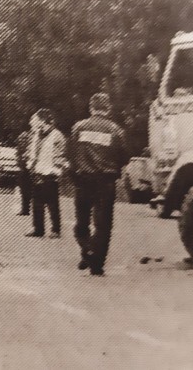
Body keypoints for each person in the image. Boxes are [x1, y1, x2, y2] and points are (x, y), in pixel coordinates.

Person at [69, 93, 128, 276]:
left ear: (91, 108)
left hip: (83, 181)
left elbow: (69, 153)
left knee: (81, 224)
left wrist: (75, 175)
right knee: (103, 225)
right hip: (106, 183)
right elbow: (125, 155)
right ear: (108, 108)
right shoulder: (116, 130)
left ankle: (87, 248)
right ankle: (97, 264)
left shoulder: (79, 127)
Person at [25, 108, 68, 239]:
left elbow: (60, 155)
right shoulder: (37, 134)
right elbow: (32, 151)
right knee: (36, 202)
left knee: (52, 203)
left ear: (43, 120)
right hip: (38, 171)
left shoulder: (57, 135)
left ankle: (55, 229)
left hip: (50, 173)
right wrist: (30, 164)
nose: (34, 122)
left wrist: (56, 171)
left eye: (36, 119)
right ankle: (38, 229)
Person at [16, 118, 35, 216]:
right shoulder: (35, 136)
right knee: (30, 187)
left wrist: (19, 164)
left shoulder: (21, 136)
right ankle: (29, 209)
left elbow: (18, 152)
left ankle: (25, 209)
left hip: (24, 165)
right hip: (32, 166)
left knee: (24, 188)